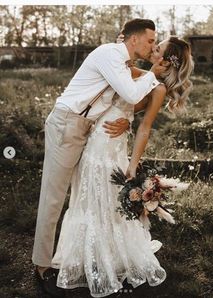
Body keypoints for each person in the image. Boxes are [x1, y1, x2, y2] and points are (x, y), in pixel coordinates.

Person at [32, 18, 166, 297]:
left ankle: (71, 254)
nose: (153, 45)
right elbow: (131, 93)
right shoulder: (108, 54)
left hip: (87, 128)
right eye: (151, 40)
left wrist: (128, 122)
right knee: (54, 196)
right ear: (134, 40)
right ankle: (42, 267)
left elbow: (127, 101)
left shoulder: (123, 63)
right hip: (67, 123)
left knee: (77, 194)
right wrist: (153, 73)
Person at [51, 36, 194, 297]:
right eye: (154, 43)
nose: (152, 48)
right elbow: (123, 82)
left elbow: (144, 127)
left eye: (157, 48)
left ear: (164, 59)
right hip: (95, 137)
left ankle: (110, 257)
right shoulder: (136, 70)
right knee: (87, 196)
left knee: (109, 199)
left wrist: (133, 163)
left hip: (111, 147)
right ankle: (88, 253)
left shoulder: (158, 88)